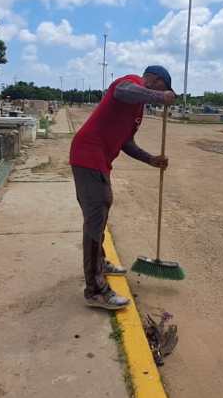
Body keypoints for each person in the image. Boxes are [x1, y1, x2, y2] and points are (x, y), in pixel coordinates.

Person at [69, 65, 176, 310]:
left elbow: (126, 143)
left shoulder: (137, 110)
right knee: (95, 218)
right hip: (87, 155)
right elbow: (123, 91)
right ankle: (95, 291)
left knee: (101, 211)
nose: (163, 94)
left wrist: (151, 159)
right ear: (153, 79)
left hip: (99, 160)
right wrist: (160, 96)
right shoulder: (131, 82)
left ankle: (100, 261)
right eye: (163, 87)